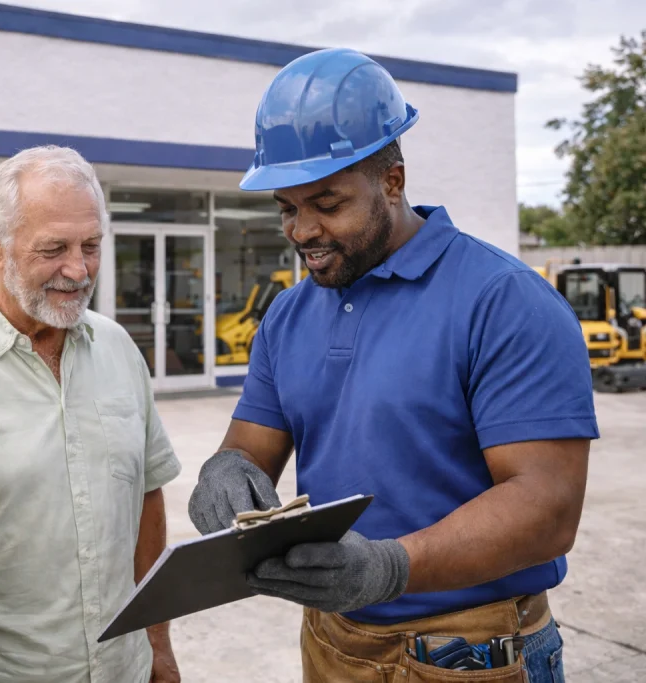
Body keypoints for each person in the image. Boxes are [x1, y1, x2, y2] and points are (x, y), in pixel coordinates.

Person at [188, 48, 597, 681]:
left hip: (467, 655)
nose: (302, 231)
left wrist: (390, 567)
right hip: (332, 641)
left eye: (327, 204)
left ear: (393, 182)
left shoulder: (503, 300)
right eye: (288, 208)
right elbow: (249, 447)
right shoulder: (290, 314)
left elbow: (548, 508)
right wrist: (225, 472)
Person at [0, 145, 182, 683]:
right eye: (53, 249)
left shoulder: (120, 350)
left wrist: (157, 644)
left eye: (91, 246)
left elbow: (147, 497)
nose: (78, 269)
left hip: (125, 669)